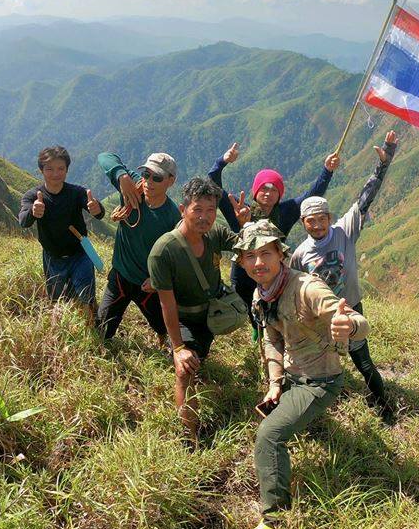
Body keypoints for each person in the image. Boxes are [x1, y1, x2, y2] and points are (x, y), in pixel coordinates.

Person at [234, 219, 369, 529]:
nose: (257, 262)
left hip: (320, 381)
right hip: (293, 376)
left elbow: (358, 322)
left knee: (269, 435)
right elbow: (271, 337)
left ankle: (274, 521)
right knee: (275, 419)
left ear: (281, 254)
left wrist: (347, 327)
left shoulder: (306, 288)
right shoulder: (262, 291)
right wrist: (275, 384)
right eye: (249, 256)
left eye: (265, 253)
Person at [290, 130, 398, 420]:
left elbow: (365, 199)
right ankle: (319, 408)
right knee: (322, 364)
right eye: (310, 221)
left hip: (350, 310)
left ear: (329, 217)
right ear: (304, 223)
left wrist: (384, 163)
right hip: (321, 316)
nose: (317, 225)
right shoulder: (300, 254)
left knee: (364, 363)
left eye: (321, 219)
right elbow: (296, 289)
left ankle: (384, 405)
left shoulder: (344, 232)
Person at [147, 177, 249, 444]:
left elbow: (248, 246)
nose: (205, 217)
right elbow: (166, 304)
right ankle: (189, 437)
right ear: (183, 209)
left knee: (199, 357)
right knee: (184, 371)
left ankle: (195, 356)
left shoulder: (214, 234)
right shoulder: (164, 251)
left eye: (211, 210)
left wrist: (245, 224)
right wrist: (178, 348)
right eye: (197, 210)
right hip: (183, 319)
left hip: (210, 314)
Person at [208, 143, 341, 335]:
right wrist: (222, 162)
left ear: (280, 194)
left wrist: (327, 171)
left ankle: (272, 337)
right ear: (255, 191)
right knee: (248, 308)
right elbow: (213, 184)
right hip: (244, 273)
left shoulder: (286, 212)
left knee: (274, 311)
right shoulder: (240, 209)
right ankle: (258, 333)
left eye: (274, 190)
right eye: (264, 189)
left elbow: (312, 194)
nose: (268, 194)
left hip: (274, 272)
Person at [95, 151, 182, 345]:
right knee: (101, 332)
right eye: (146, 174)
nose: (149, 182)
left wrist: (156, 280)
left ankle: (161, 338)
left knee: (161, 325)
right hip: (120, 276)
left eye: (157, 177)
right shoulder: (133, 187)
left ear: (171, 181)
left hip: (147, 285)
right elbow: (105, 156)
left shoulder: (172, 217)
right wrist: (122, 176)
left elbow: (176, 256)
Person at [19, 145, 105, 325]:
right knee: (58, 302)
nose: (55, 174)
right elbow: (23, 221)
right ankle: (62, 334)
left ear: (67, 169)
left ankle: (94, 331)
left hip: (80, 255)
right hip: (53, 258)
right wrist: (34, 212)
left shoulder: (77, 193)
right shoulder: (33, 196)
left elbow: (98, 213)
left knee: (86, 297)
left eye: (61, 169)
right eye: (49, 169)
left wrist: (97, 208)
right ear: (41, 170)